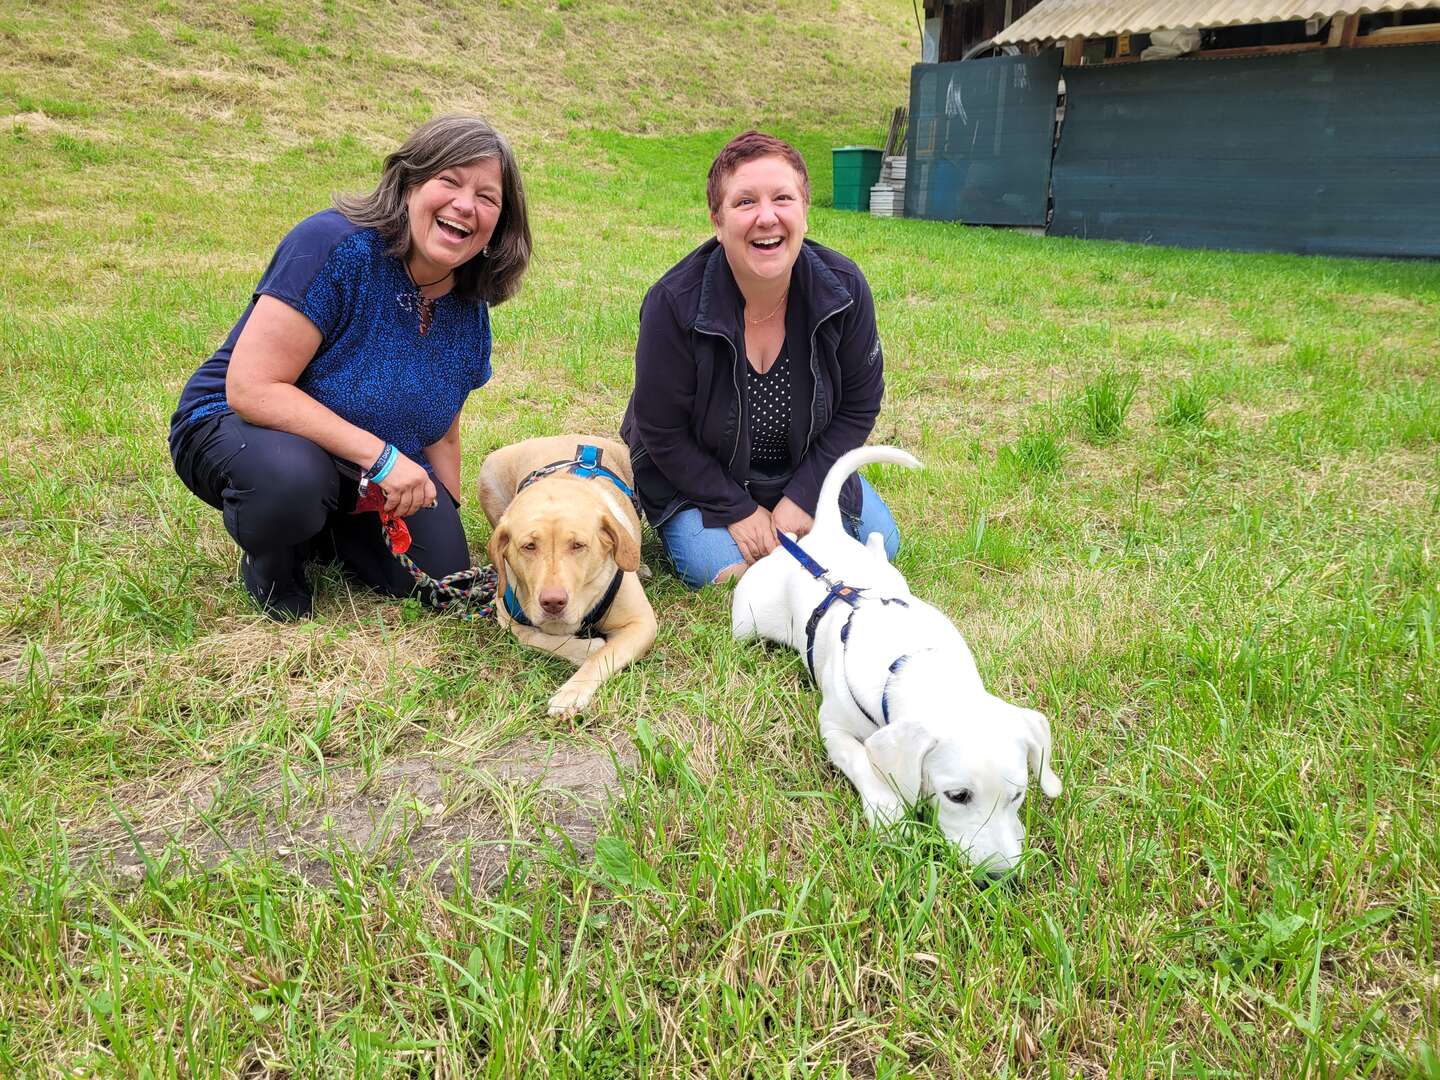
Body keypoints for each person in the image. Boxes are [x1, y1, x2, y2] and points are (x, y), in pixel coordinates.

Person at [168, 114, 531, 619]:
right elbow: (251, 387)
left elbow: (442, 434)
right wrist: (384, 460)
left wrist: (443, 509)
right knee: (291, 482)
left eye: (487, 197)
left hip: (356, 467)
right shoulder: (333, 245)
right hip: (236, 425)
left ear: (500, 222)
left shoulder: (470, 311)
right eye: (448, 181)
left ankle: (325, 528)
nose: (465, 205)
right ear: (407, 184)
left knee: (441, 576)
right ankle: (273, 561)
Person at [621, 130, 900, 589]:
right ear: (717, 219)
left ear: (805, 210)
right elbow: (661, 430)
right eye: (745, 202)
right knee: (722, 573)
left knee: (881, 545)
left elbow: (859, 404)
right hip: (702, 477)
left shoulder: (845, 288)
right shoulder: (672, 303)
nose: (766, 217)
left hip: (801, 464)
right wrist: (739, 510)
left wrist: (805, 495)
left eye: (783, 198)